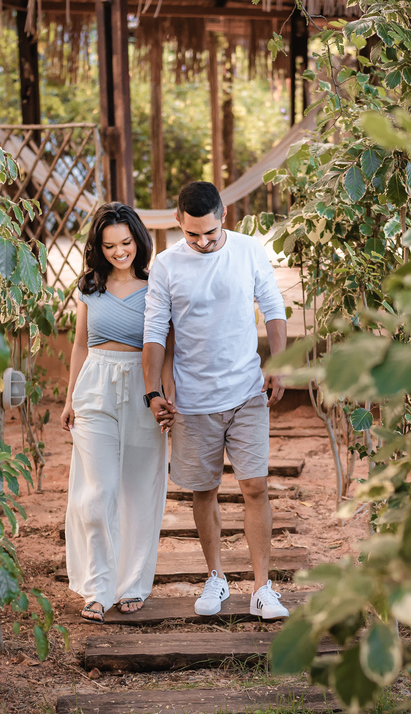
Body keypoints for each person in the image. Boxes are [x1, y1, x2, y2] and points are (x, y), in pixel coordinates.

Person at [141, 181, 290, 620]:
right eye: (193, 235)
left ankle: (263, 588)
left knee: (255, 486)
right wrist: (154, 391)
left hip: (246, 391)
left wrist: (279, 363)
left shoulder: (248, 251)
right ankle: (216, 578)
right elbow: (154, 332)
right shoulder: (167, 266)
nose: (203, 242)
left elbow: (274, 306)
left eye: (209, 233)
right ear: (178, 223)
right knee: (203, 492)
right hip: (192, 399)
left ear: (224, 215)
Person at [62, 203, 174, 624]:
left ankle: (132, 586)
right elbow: (79, 343)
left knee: (139, 490)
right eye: (109, 245)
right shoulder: (90, 286)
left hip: (143, 387)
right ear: (99, 246)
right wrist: (70, 397)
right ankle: (97, 586)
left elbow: (168, 349)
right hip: (95, 387)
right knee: (99, 492)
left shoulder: (156, 285)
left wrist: (165, 396)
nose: (118, 251)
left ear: (138, 241)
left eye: (125, 242)